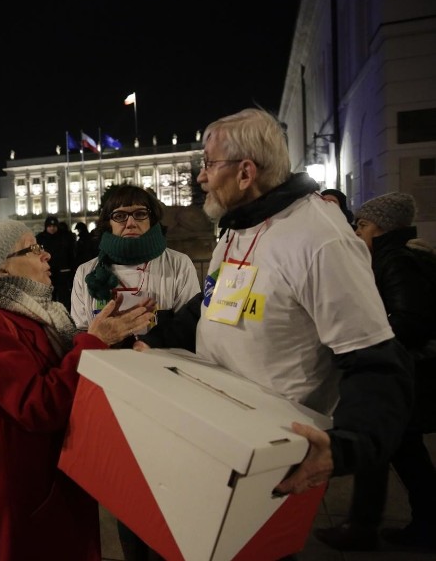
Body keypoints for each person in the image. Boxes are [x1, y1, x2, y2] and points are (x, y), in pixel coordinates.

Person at [135, 108, 413, 554]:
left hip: (272, 455)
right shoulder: (236, 224)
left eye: (209, 163)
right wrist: (149, 334)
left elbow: (377, 362)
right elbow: (213, 305)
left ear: (246, 172)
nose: (202, 177)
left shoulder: (321, 240)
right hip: (215, 429)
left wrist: (345, 449)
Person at [0, 220, 154, 561]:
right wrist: (95, 341)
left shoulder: (42, 312)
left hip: (57, 471)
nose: (46, 254)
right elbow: (37, 404)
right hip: (25, 485)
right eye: (32, 249)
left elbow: (68, 373)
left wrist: (117, 351)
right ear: (1, 268)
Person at [71, 183, 201, 560]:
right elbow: (80, 331)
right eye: (120, 215)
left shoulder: (176, 264)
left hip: (165, 388)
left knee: (167, 483)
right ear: (107, 223)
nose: (130, 222)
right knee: (125, 487)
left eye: (140, 213)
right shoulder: (88, 272)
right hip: (111, 389)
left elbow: (193, 326)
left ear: (152, 218)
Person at [315, 192, 436, 552]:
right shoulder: (398, 255)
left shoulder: (396, 260)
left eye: (363, 225)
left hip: (406, 375)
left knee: (394, 453)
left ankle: (376, 527)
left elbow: (408, 322)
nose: (358, 232)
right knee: (393, 452)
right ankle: (372, 525)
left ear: (382, 228)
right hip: (406, 374)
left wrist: (368, 338)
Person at [36, 215, 75, 311]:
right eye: (49, 226)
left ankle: (65, 313)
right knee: (48, 297)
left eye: (54, 226)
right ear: (46, 227)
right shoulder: (40, 238)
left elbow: (71, 254)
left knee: (64, 297)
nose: (52, 228)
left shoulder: (64, 237)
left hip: (62, 272)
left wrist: (70, 268)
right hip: (47, 272)